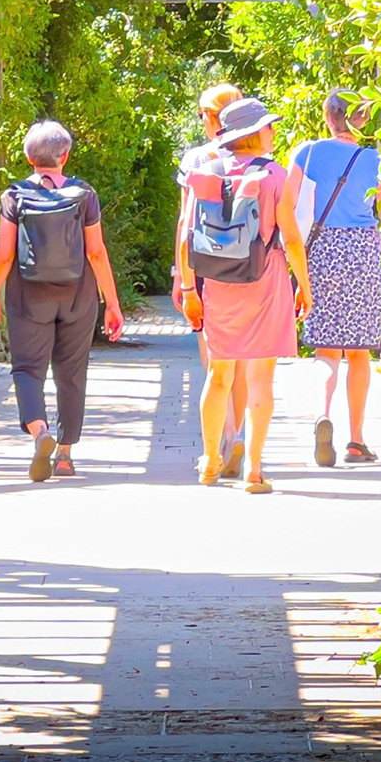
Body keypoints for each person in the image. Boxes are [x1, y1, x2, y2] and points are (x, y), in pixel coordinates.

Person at [179, 97, 311, 493]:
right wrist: (304, 288)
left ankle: (209, 460)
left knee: (219, 375)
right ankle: (253, 470)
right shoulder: (274, 175)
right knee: (261, 379)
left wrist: (189, 290)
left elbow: (186, 237)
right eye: (268, 126)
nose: (272, 131)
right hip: (266, 282)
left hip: (219, 285)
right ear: (253, 134)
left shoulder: (206, 172)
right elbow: (291, 238)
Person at [0, 120, 125, 481]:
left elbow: (4, 255)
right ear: (66, 155)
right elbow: (96, 252)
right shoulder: (84, 194)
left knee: (27, 369)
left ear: (29, 157)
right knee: (71, 373)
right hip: (78, 295)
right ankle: (64, 455)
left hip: (28, 296)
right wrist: (112, 303)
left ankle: (39, 430)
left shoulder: (15, 196)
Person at [289, 91, 381, 467]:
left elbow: (288, 206)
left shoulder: (307, 153)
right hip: (364, 249)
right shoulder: (377, 158)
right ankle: (356, 441)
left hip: (323, 249)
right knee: (359, 351)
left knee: (326, 349)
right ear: (363, 120)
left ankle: (322, 415)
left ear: (327, 117)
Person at [173, 83, 249, 477]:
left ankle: (227, 435)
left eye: (203, 113)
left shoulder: (196, 159)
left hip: (205, 266)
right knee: (243, 358)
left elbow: (185, 223)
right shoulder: (255, 155)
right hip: (248, 266)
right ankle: (240, 434)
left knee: (215, 359)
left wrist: (182, 278)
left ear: (211, 116)